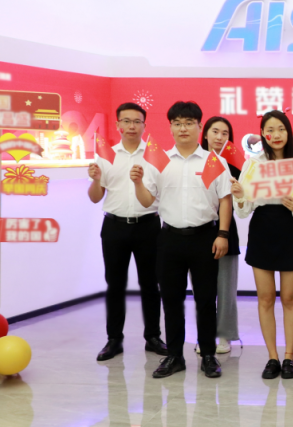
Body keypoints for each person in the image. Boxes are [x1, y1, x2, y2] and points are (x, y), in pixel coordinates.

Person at [133, 101, 232, 380]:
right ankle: (175, 355)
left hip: (205, 238)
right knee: (171, 300)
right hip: (170, 239)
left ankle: (208, 354)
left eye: (189, 123)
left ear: (199, 126)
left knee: (206, 300)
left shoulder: (213, 161)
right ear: (171, 128)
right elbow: (147, 202)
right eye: (177, 123)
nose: (183, 128)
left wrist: (223, 234)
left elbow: (225, 199)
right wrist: (138, 183)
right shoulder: (160, 161)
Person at [232, 110, 293, 380]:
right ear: (262, 134)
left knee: (290, 297)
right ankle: (272, 357)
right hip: (262, 229)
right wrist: (240, 196)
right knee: (266, 298)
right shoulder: (253, 165)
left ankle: (289, 357)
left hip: (291, 229)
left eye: (281, 129)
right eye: (270, 129)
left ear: (288, 132)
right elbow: (244, 210)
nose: (276, 134)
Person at [87, 102, 167, 362]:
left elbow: (162, 193)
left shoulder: (155, 155)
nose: (132, 126)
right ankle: (114, 339)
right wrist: (95, 179)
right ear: (118, 124)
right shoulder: (106, 156)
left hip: (148, 226)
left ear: (144, 125)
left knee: (151, 284)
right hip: (114, 227)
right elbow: (95, 197)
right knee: (115, 285)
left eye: (137, 121)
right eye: (126, 121)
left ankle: (153, 337)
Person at [199, 116, 241, 355]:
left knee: (226, 288)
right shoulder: (195, 161)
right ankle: (205, 335)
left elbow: (243, 198)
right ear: (205, 133)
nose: (219, 137)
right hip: (200, 230)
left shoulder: (234, 165)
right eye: (215, 131)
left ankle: (224, 334)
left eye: (225, 133)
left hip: (226, 231)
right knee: (203, 289)